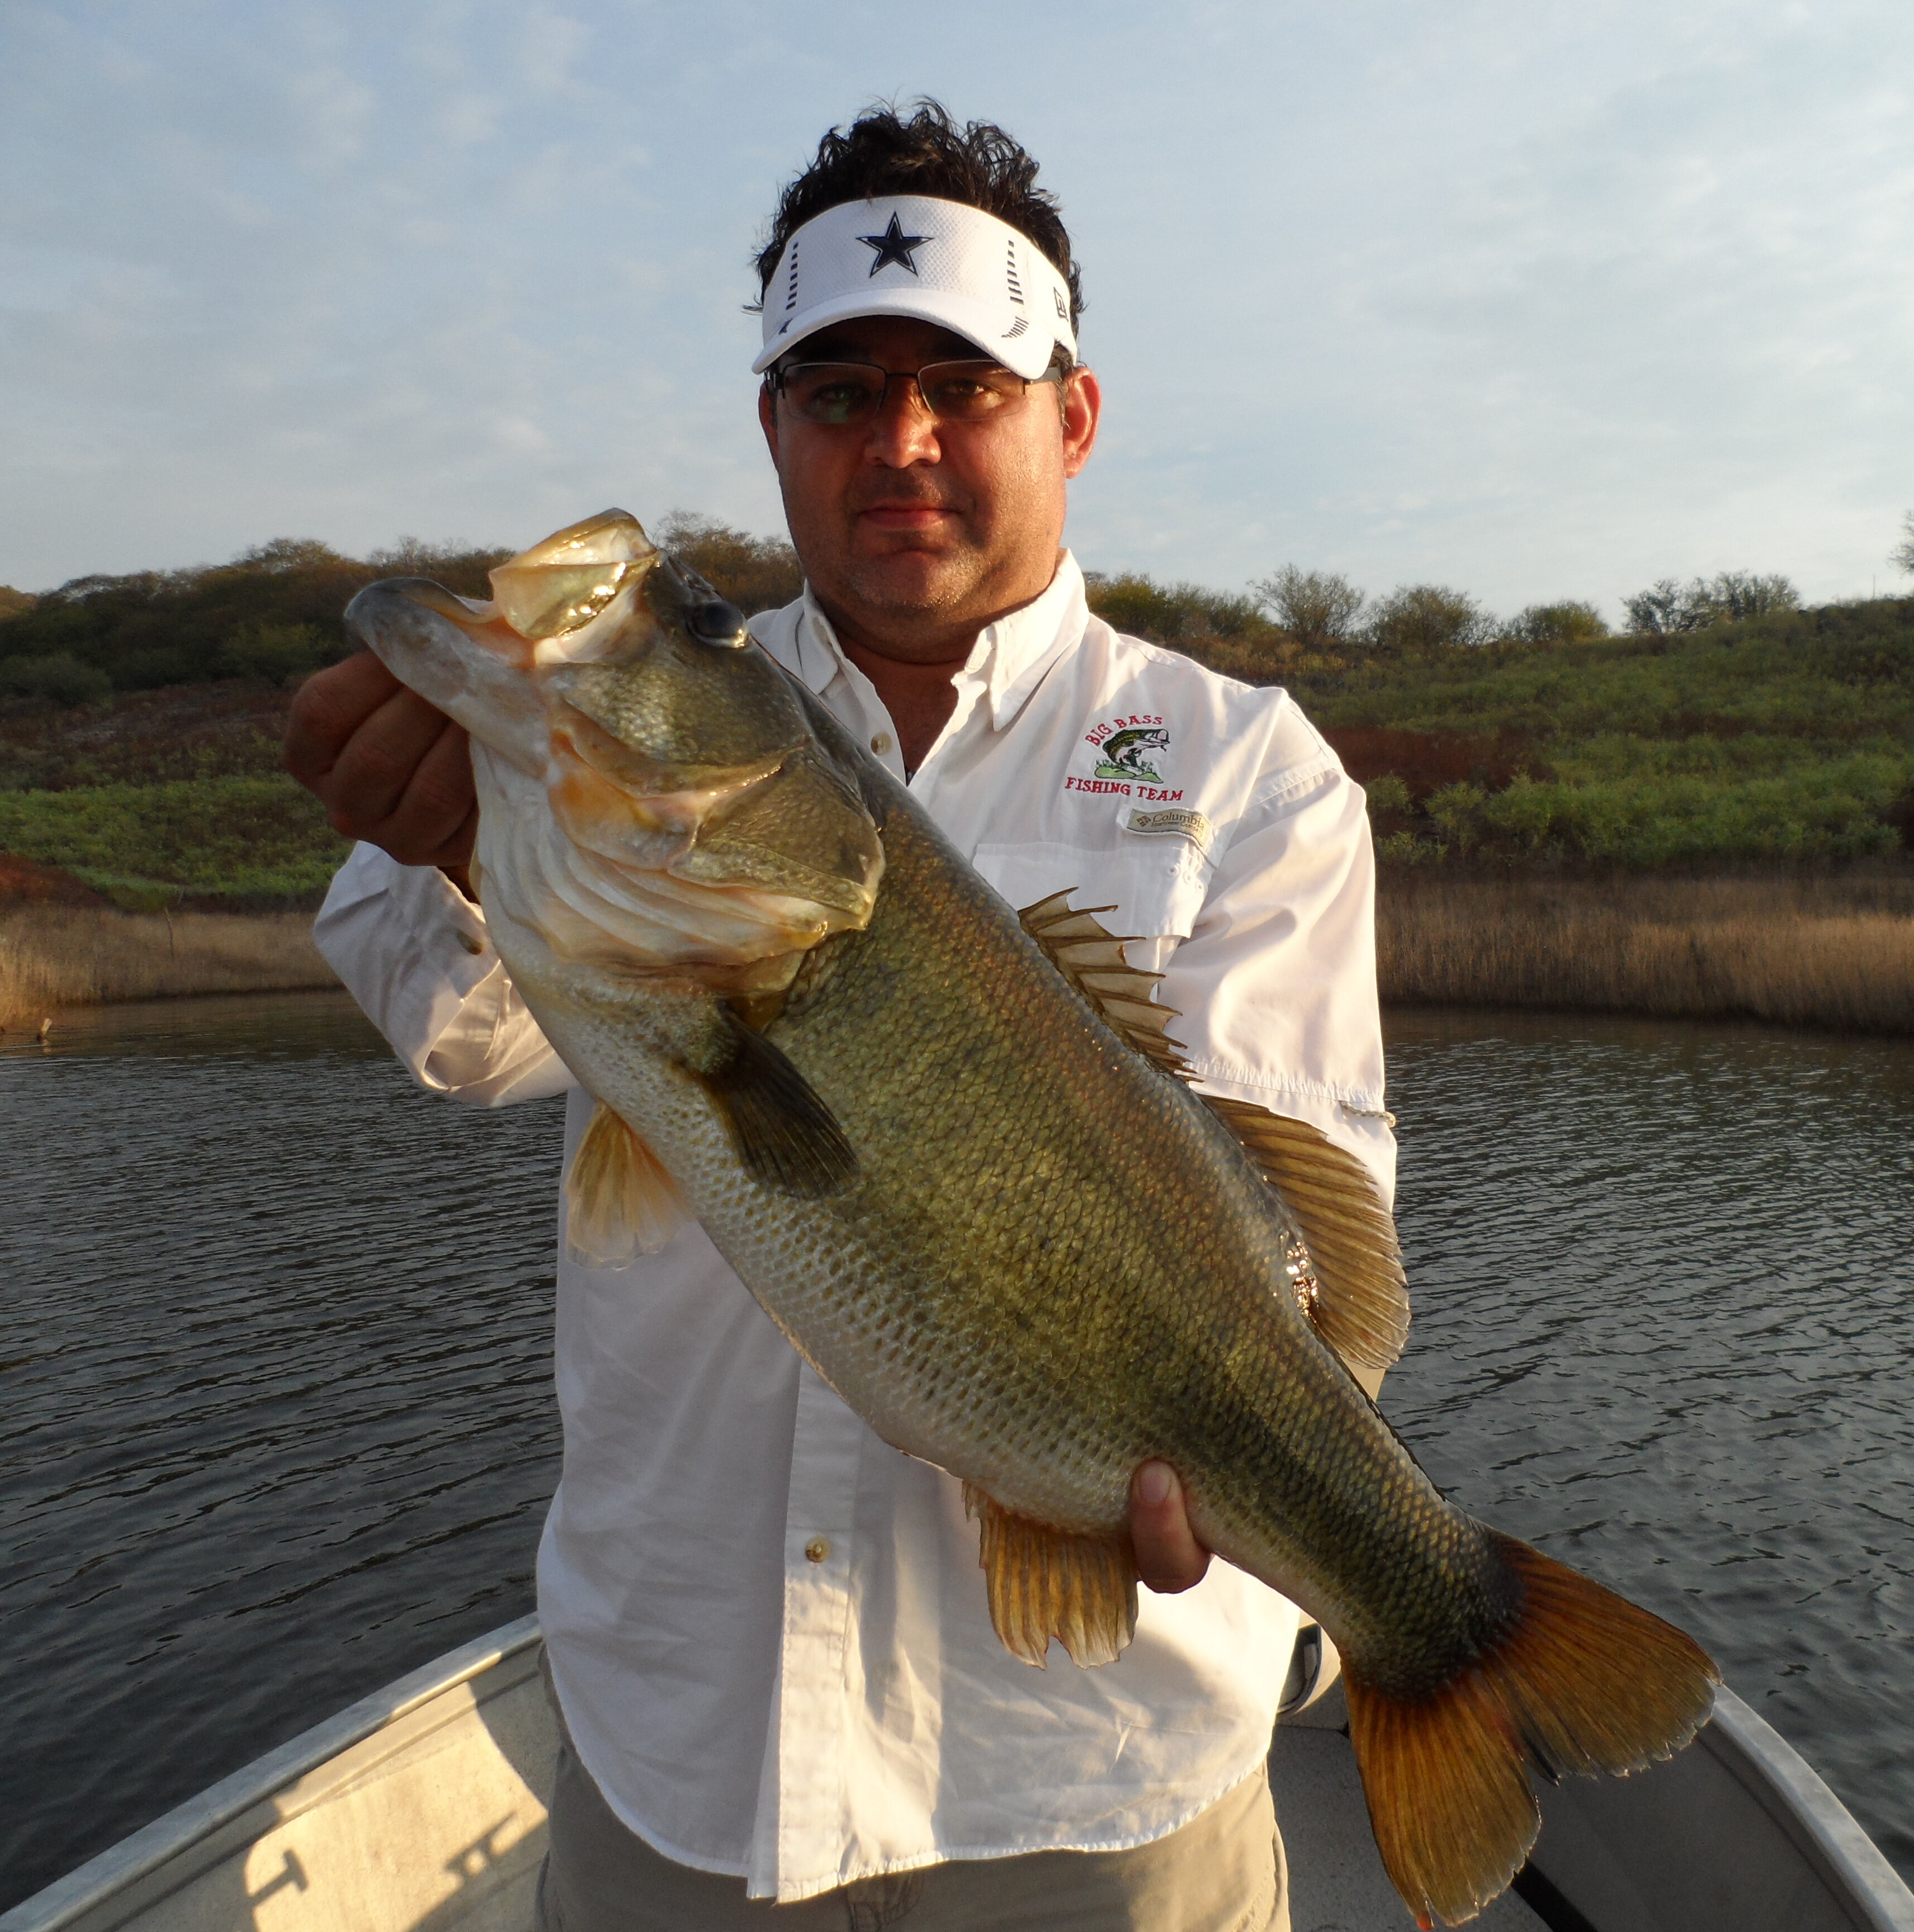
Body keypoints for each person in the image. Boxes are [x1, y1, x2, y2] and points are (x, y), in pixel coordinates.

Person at [282, 102, 1391, 1930]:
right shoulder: (630, 742)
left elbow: (1306, 1248)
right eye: (836, 390)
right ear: (771, 427)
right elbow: (468, 1038)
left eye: (962, 386)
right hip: (685, 1738)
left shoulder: (1241, 765)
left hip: (1091, 1761)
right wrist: (449, 834)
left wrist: (1294, 1465)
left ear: (1071, 414)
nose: (902, 444)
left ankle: (1452, 1641)